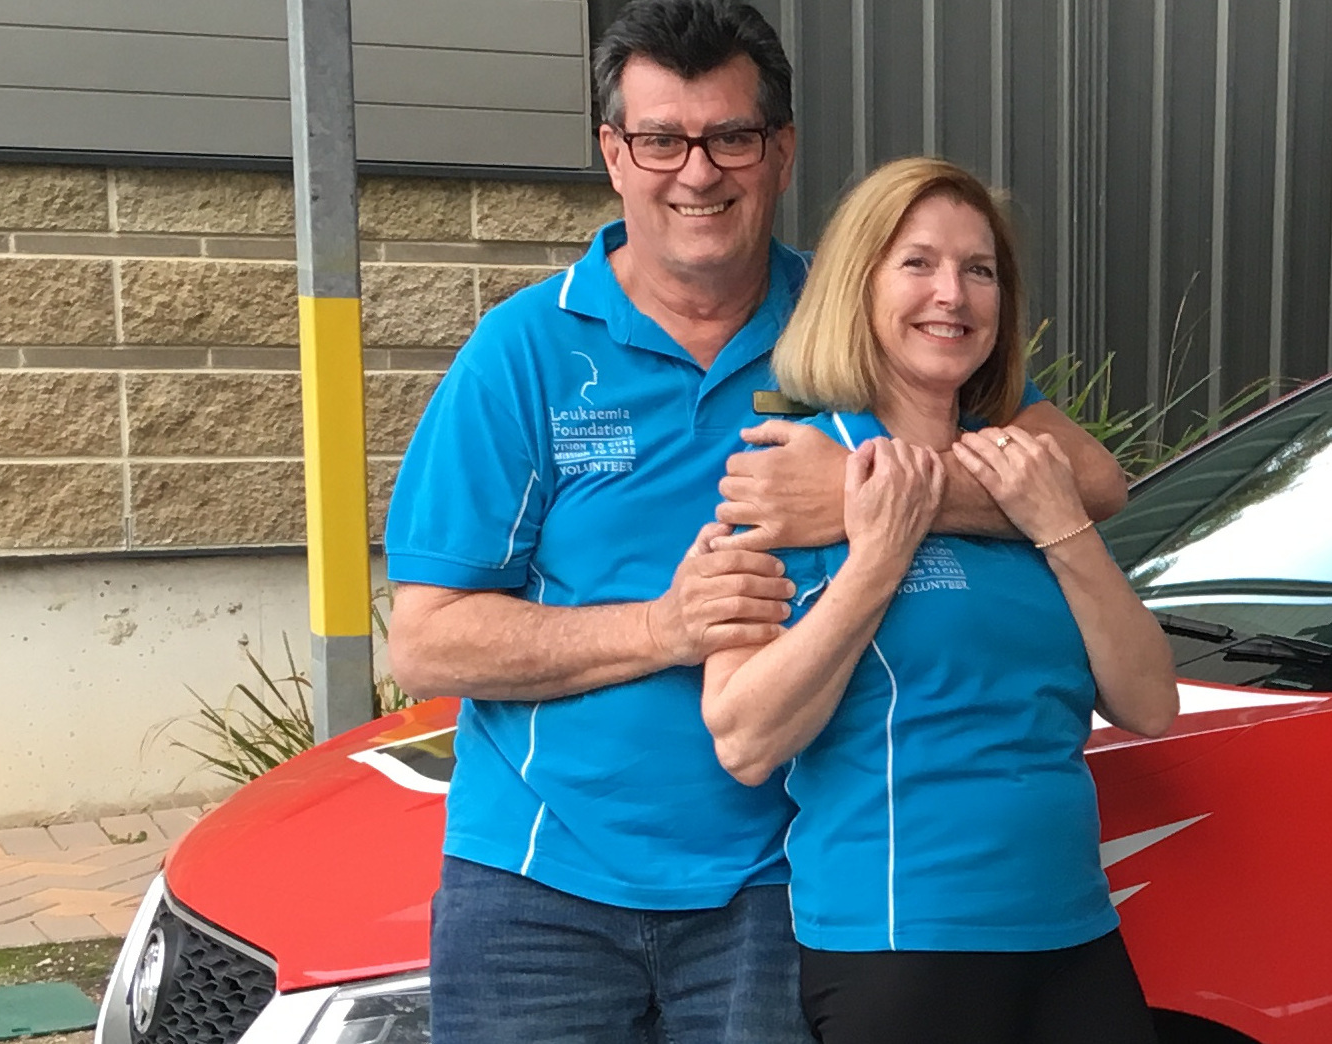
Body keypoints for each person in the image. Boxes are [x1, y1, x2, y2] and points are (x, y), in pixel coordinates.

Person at [382, 2, 1129, 1040]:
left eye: (731, 136)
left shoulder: (858, 317)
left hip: (777, 883)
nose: (698, 172)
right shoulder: (525, 352)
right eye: (661, 139)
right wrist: (661, 627)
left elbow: (1086, 479)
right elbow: (423, 637)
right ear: (614, 152)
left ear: (781, 152)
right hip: (540, 887)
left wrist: (868, 495)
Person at [701, 157, 1180, 1044]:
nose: (951, 294)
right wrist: (876, 557)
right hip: (904, 943)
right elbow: (742, 737)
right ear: (858, 287)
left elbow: (1149, 703)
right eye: (916, 263)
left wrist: (1055, 522)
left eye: (979, 269)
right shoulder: (786, 480)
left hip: (1071, 926)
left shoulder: (1022, 467)